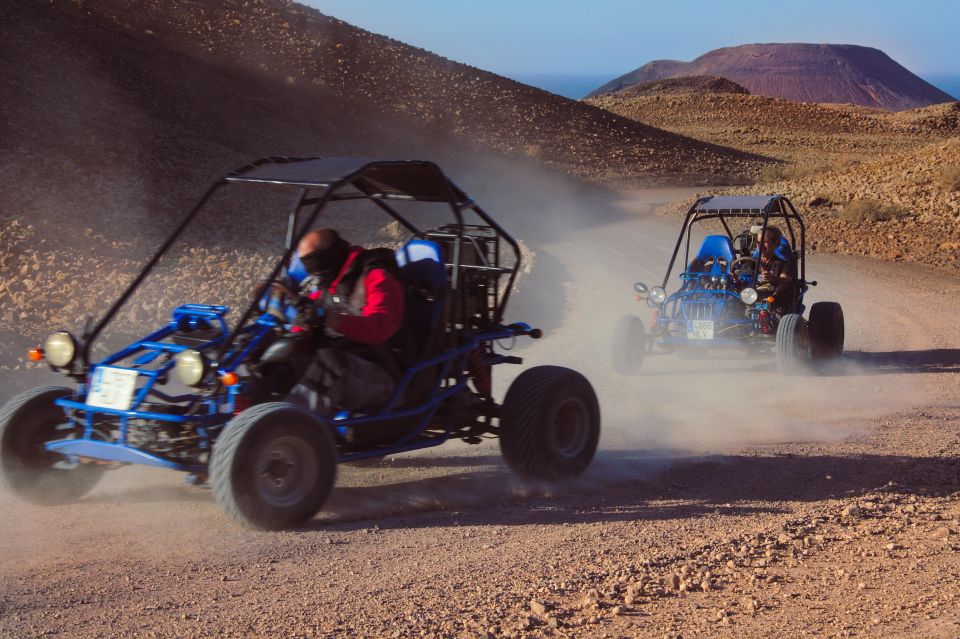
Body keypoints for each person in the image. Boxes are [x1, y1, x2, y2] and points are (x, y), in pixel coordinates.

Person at [280, 228, 407, 416]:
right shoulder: (330, 281)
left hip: (382, 372)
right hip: (350, 367)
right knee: (277, 356)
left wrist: (331, 319)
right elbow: (310, 314)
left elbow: (381, 327)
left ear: (328, 253)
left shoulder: (375, 276)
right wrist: (294, 334)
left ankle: (287, 430)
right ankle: (242, 420)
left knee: (330, 363)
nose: (308, 269)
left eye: (310, 260)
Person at [754, 226, 796, 315]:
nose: (760, 246)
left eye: (764, 242)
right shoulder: (749, 262)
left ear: (776, 243)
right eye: (758, 242)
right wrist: (734, 277)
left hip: (774, 302)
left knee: (783, 290)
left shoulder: (784, 263)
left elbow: (786, 280)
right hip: (750, 297)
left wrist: (772, 279)